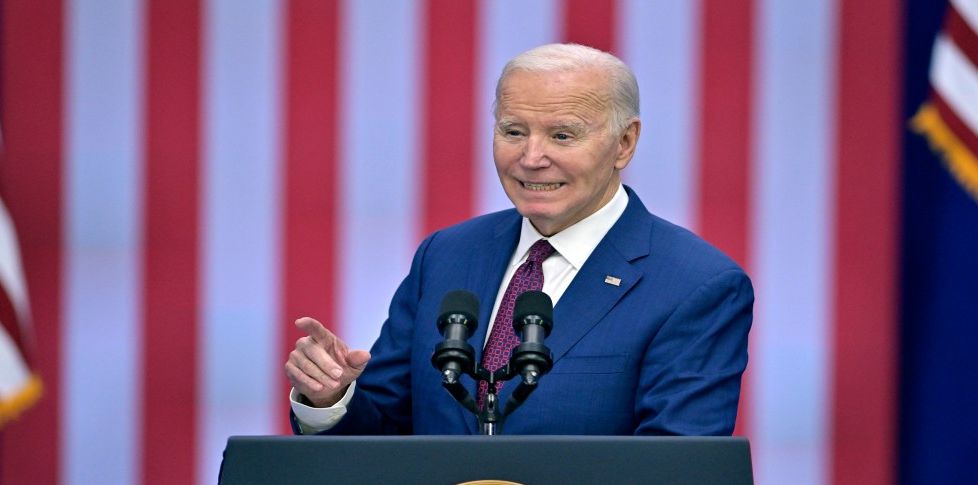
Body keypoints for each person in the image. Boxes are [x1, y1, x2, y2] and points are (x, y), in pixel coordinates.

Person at [285, 43, 752, 436]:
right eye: (513, 131)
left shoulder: (697, 285)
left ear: (624, 143)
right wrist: (331, 397)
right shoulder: (446, 255)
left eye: (562, 135)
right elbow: (385, 430)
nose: (531, 158)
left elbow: (677, 471)